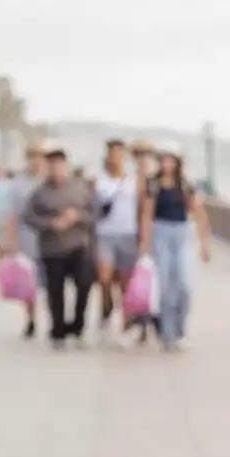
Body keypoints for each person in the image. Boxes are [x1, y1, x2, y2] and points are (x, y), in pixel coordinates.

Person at [22, 144, 98, 347]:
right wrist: (50, 224)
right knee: (55, 291)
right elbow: (28, 217)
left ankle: (78, 326)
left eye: (59, 165)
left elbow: (95, 214)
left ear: (66, 165)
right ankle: (58, 331)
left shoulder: (81, 187)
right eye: (52, 165)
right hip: (52, 248)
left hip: (78, 246)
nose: (56, 169)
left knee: (84, 284)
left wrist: (78, 216)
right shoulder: (40, 193)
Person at [137, 149, 212, 351]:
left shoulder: (185, 185)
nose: (167, 165)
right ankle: (167, 333)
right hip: (160, 232)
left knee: (184, 284)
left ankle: (180, 325)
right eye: (164, 161)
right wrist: (144, 244)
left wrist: (205, 243)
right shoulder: (154, 185)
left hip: (181, 233)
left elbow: (199, 212)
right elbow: (146, 215)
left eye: (171, 161)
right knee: (165, 286)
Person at [92, 138, 141, 332]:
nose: (115, 157)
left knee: (125, 281)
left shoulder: (134, 180)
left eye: (119, 153)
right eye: (112, 153)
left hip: (128, 233)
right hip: (105, 234)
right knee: (104, 278)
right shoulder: (99, 179)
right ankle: (107, 307)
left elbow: (142, 208)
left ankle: (126, 319)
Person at [1, 144, 49, 338]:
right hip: (26, 237)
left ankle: (53, 318)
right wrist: (11, 241)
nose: (35, 161)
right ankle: (31, 318)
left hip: (49, 238)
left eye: (39, 157)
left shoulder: (49, 181)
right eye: (32, 157)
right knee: (28, 282)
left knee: (50, 282)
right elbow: (12, 215)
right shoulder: (18, 184)